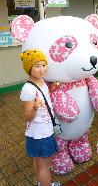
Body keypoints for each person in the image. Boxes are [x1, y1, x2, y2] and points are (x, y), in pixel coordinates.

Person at [19, 49, 59, 186]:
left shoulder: (41, 81)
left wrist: (52, 88)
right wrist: (35, 108)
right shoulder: (28, 89)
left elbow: (44, 99)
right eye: (37, 66)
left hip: (40, 130)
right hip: (40, 132)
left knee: (37, 161)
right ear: (29, 68)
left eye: (43, 64)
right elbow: (27, 116)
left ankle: (41, 183)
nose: (42, 69)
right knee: (45, 166)